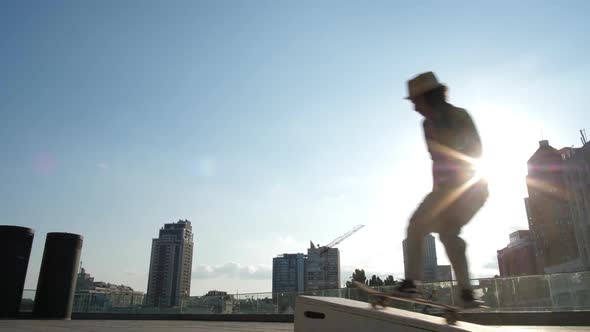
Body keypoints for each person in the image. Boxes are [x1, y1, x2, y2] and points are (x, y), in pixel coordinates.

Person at [396, 72, 488, 308]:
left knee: (417, 225)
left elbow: (475, 152)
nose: (415, 108)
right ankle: (467, 292)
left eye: (417, 102)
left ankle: (411, 284)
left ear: (429, 98)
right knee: (448, 234)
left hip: (469, 187)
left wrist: (451, 188)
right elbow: (436, 161)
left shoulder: (458, 116)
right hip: (449, 190)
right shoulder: (427, 124)